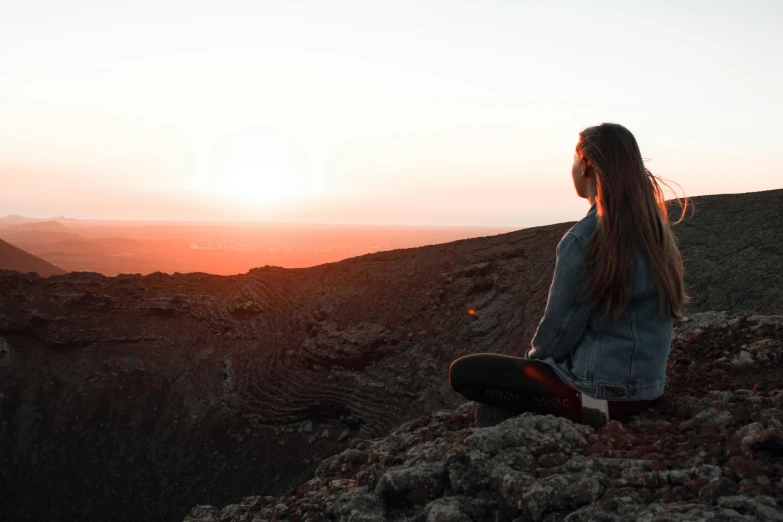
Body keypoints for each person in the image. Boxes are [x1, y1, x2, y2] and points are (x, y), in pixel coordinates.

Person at [449, 123, 690, 428]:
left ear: (586, 166)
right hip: (646, 393)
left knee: (465, 373)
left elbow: (558, 333)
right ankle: (542, 411)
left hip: (597, 393)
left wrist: (532, 371)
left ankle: (561, 410)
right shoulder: (655, 233)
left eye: (574, 160)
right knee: (491, 411)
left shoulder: (584, 239)